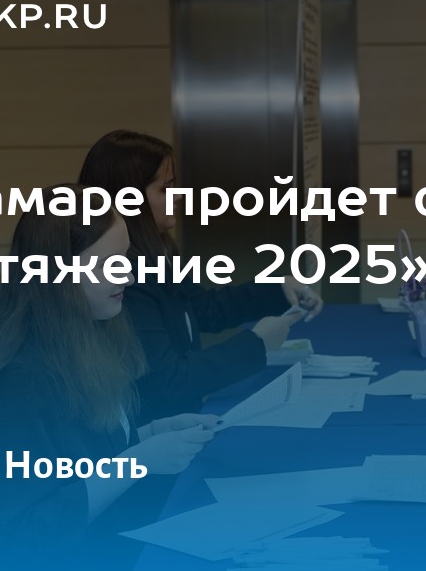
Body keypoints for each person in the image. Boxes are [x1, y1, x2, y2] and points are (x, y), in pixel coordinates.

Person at [0, 185, 219, 568]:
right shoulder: (20, 381)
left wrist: (150, 434)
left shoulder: (86, 338)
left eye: (126, 258)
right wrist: (138, 460)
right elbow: (26, 536)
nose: (129, 276)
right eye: (110, 263)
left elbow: (82, 455)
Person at [79, 131, 320, 421]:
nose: (178, 196)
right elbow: (166, 380)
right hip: (157, 428)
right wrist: (255, 344)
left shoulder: (158, 248)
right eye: (165, 188)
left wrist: (277, 287)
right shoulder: (122, 277)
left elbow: (203, 308)